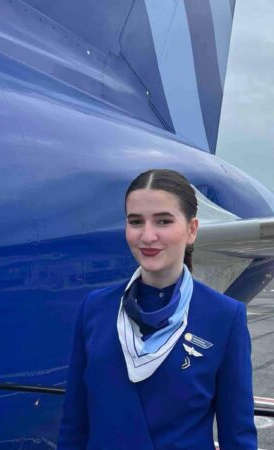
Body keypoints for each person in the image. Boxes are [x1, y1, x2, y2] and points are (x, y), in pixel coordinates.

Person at [57, 169, 257, 449]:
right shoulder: (95, 309)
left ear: (191, 230)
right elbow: (74, 424)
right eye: (136, 221)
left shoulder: (224, 316)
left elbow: (237, 436)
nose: (147, 236)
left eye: (163, 221)